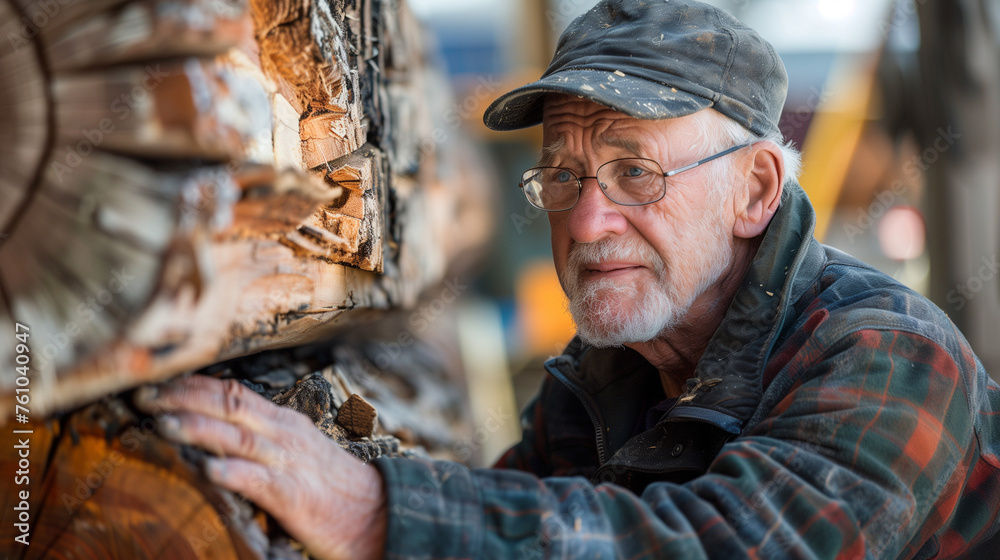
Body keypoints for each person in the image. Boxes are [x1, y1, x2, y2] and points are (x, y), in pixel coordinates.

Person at [134, 0, 1000, 558]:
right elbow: (521, 515)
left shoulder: (888, 357)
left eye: (636, 174)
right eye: (564, 175)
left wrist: (370, 510)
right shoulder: (603, 377)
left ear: (756, 191)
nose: (586, 223)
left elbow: (723, 549)